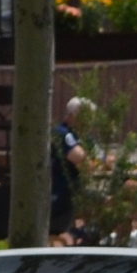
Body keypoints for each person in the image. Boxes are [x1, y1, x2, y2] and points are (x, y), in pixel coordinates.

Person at [51, 96, 93, 241]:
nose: (90, 121)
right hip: (60, 195)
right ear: (73, 115)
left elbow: (103, 157)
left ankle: (89, 235)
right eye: (87, 117)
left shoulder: (82, 136)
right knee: (104, 200)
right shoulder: (61, 133)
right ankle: (88, 237)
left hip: (74, 191)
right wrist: (96, 160)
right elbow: (83, 160)